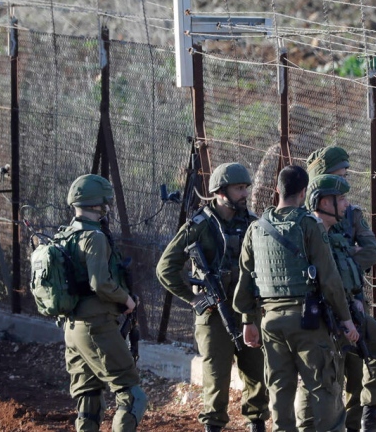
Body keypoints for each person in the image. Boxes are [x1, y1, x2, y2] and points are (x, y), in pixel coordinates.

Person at [233, 165, 358, 432]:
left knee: (279, 388)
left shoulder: (256, 228)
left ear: (277, 190)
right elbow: (330, 279)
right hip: (307, 321)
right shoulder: (309, 225)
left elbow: (245, 280)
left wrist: (248, 321)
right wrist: (346, 319)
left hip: (270, 322)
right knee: (323, 387)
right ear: (304, 193)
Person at [301, 147, 376, 432]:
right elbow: (312, 261)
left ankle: (363, 419)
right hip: (321, 305)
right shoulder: (305, 217)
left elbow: (371, 252)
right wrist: (344, 256)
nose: (344, 181)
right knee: (332, 374)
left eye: (345, 175)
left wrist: (339, 258)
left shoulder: (349, 213)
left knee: (364, 362)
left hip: (352, 300)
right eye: (338, 175)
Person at [156, 163, 269, 432]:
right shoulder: (200, 225)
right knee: (216, 380)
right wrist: (193, 299)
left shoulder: (253, 224)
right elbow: (166, 269)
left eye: (245, 188)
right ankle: (214, 426)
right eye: (239, 188)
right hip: (213, 316)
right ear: (220, 192)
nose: (244, 194)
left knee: (256, 376)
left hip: (248, 314)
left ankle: (256, 424)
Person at [61, 174, 147, 431]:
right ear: (98, 204)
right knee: (133, 397)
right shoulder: (94, 237)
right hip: (97, 326)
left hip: (73, 329)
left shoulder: (66, 235)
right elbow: (100, 283)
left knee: (88, 400)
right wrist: (127, 299)